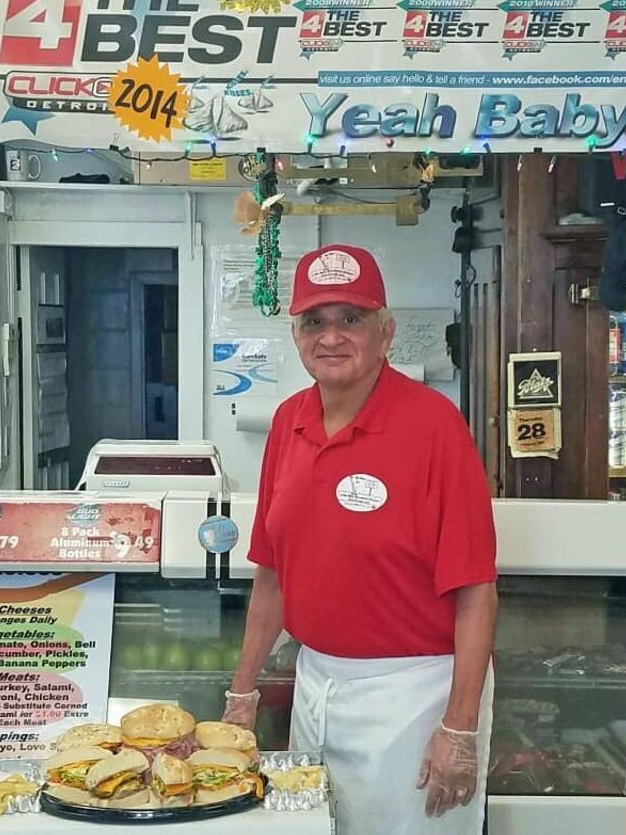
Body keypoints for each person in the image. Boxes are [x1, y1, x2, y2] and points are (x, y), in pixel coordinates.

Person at [223, 244, 497, 835]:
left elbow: (475, 591)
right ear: (296, 335)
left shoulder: (434, 427)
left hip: (415, 697)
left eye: (352, 318)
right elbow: (270, 575)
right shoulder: (287, 423)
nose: (331, 336)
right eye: (314, 321)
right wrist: (242, 693)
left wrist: (460, 727)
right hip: (314, 683)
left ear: (385, 331)